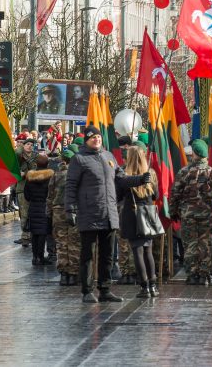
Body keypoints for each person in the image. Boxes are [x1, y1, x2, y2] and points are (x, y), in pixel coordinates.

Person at [65, 125, 149, 303]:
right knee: (88, 254)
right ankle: (87, 290)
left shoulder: (109, 156)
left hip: (109, 213)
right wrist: (70, 209)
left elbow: (121, 178)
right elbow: (71, 185)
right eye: (92, 137)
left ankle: (105, 289)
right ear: (87, 140)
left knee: (107, 254)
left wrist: (140, 179)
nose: (96, 139)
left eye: (98, 137)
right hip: (89, 212)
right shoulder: (79, 159)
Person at [170, 139, 212, 286]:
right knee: (205, 245)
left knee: (190, 245)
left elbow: (174, 194)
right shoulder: (211, 172)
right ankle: (204, 275)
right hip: (207, 215)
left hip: (188, 215)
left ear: (193, 154)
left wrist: (173, 211)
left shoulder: (184, 172)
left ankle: (192, 274)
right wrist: (209, 196)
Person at [116, 145, 160, 298]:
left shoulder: (124, 174)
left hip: (132, 214)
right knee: (148, 250)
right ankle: (153, 286)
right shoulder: (151, 173)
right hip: (147, 213)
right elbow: (156, 195)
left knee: (137, 252)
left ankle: (144, 287)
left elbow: (118, 195)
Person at [48, 148, 79, 286]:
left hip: (58, 211)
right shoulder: (77, 174)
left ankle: (63, 274)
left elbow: (50, 195)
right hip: (74, 210)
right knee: (74, 242)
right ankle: (73, 274)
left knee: (61, 243)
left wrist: (49, 212)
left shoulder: (56, 174)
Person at [23, 153, 53, 266]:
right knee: (42, 233)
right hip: (44, 207)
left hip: (33, 207)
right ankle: (40, 256)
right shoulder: (50, 177)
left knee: (34, 233)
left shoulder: (30, 178)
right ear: (47, 164)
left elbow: (27, 195)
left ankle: (35, 257)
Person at [14, 138, 37, 247]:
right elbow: (16, 153)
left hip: (33, 188)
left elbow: (36, 171)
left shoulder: (35, 157)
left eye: (31, 145)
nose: (29, 146)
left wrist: (26, 173)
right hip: (22, 188)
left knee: (31, 213)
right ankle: (25, 235)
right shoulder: (19, 156)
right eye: (27, 144)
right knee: (23, 213)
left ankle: (29, 236)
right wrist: (21, 146)